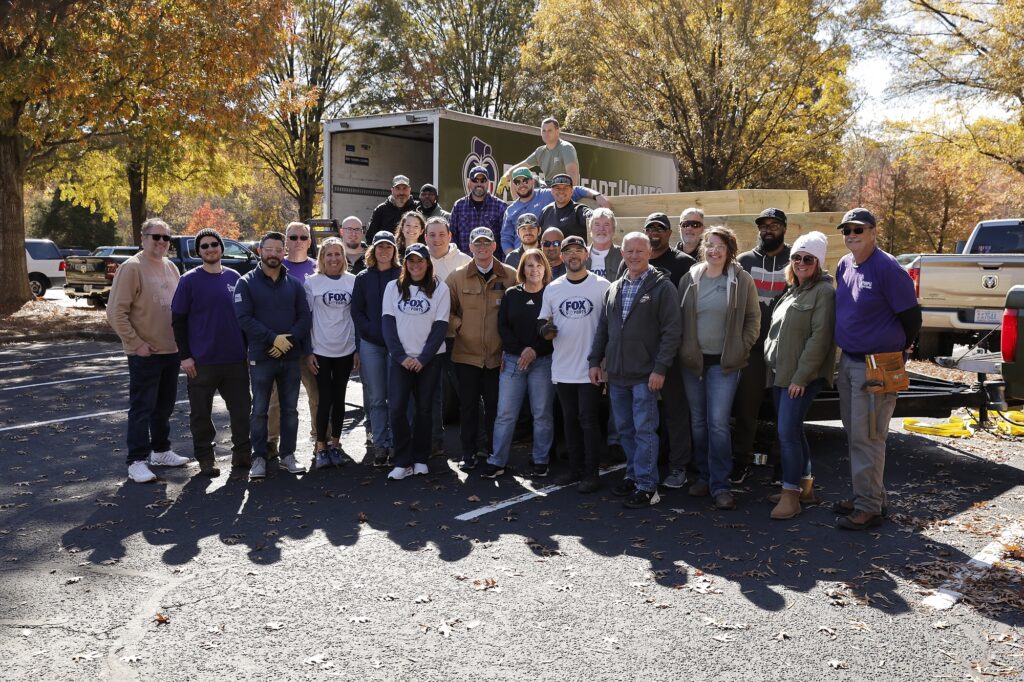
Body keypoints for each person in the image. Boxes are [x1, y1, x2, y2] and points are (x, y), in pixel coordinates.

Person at [833, 208, 921, 530]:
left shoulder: (888, 268)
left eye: (858, 230)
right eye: (847, 231)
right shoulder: (844, 265)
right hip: (849, 361)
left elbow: (912, 318)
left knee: (869, 436)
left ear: (873, 232)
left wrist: (900, 350)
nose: (852, 236)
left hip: (876, 366)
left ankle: (868, 507)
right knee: (855, 433)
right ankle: (868, 496)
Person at [589, 232, 681, 508]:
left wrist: (660, 368)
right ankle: (633, 473)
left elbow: (672, 332)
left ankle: (647, 486)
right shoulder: (615, 287)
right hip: (616, 374)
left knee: (644, 430)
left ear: (650, 253)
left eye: (640, 251)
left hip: (645, 374)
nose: (633, 256)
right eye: (629, 251)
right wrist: (595, 361)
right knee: (626, 430)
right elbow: (603, 329)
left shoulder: (663, 288)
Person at [677, 227, 760, 510]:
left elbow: (753, 320)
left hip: (724, 365)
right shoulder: (691, 278)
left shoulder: (741, 279)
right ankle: (703, 476)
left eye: (720, 246)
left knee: (718, 424)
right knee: (698, 424)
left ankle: (721, 485)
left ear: (729, 249)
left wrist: (741, 347)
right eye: (709, 245)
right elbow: (679, 318)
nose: (714, 250)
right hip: (693, 363)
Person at [107, 218, 188, 483]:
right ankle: (137, 461)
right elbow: (116, 312)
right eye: (157, 237)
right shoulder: (131, 268)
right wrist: (136, 344)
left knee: (163, 406)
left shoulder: (171, 267)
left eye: (167, 238)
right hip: (145, 353)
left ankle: (161, 451)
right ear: (143, 238)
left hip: (170, 350)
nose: (162, 242)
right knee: (142, 408)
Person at [763, 231, 836, 519]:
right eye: (796, 257)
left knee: (786, 434)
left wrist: (801, 378)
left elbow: (820, 339)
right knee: (792, 431)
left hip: (799, 378)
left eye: (808, 258)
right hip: (782, 375)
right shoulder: (794, 289)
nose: (801, 262)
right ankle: (805, 487)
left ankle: (790, 495)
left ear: (818, 262)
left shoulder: (824, 292)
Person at [171, 228, 251, 478]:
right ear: (198, 252)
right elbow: (178, 320)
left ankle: (242, 454)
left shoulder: (235, 277)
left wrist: (247, 350)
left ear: (221, 247)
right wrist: (185, 356)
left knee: (241, 410)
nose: (209, 249)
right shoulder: (189, 280)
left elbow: (244, 317)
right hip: (201, 362)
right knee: (201, 415)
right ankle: (206, 458)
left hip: (235, 359)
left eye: (213, 244)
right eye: (204, 246)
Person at [234, 231, 312, 480]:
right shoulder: (246, 283)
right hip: (261, 356)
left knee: (290, 410)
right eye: (269, 249)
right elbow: (244, 318)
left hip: (289, 357)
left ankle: (288, 455)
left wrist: (287, 341)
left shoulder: (294, 285)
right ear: (260, 251)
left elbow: (304, 318)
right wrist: (272, 338)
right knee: (259, 410)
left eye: (279, 250)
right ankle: (259, 457)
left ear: (283, 252)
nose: (274, 254)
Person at [627, 213, 696, 490]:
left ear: (670, 233)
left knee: (676, 411)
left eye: (660, 228)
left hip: (672, 351)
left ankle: (679, 466)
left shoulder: (685, 264)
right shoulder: (632, 263)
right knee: (643, 415)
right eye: (650, 228)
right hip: (639, 355)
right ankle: (651, 462)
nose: (655, 233)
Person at [539, 235, 610, 492]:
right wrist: (546, 330)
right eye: (568, 251)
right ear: (562, 257)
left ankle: (592, 473)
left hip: (592, 366)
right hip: (563, 366)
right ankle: (575, 468)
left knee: (588, 419)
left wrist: (603, 361)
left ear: (587, 255)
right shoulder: (553, 287)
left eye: (578, 250)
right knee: (569, 419)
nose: (573, 255)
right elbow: (543, 321)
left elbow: (611, 326)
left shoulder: (602, 286)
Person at [447, 227, 518, 471]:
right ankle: (468, 453)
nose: (482, 248)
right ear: (470, 247)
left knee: (496, 407)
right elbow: (445, 310)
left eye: (486, 243)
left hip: (499, 357)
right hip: (465, 355)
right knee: (467, 407)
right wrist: (460, 327)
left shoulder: (510, 275)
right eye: (477, 244)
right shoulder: (456, 277)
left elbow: (518, 311)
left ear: (495, 246)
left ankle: (492, 451)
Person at [731, 208, 791, 485]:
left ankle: (783, 467)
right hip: (752, 347)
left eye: (775, 225)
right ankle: (741, 461)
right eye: (764, 225)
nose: (768, 229)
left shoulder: (795, 258)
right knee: (746, 408)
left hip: (785, 347)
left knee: (785, 412)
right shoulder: (743, 261)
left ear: (784, 229)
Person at [484, 249, 556, 479]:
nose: (534, 270)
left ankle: (540, 460)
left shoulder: (552, 294)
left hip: (543, 361)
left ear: (545, 268)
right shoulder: (512, 294)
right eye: (529, 266)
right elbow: (503, 327)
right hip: (513, 360)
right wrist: (521, 350)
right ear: (522, 269)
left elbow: (554, 331)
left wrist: (534, 351)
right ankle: (497, 461)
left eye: (538, 265)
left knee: (542, 413)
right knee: (505, 414)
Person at [382, 243, 451, 480]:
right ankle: (403, 461)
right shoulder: (393, 287)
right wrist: (401, 357)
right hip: (400, 360)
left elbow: (441, 326)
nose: (415, 265)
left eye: (420, 261)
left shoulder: (440, 288)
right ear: (405, 263)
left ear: (427, 263)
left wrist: (422, 358)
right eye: (411, 261)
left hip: (429, 361)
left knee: (424, 410)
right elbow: (388, 325)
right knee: (397, 408)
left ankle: (421, 459)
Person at [304, 237, 359, 470]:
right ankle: (320, 446)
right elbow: (305, 320)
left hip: (345, 350)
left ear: (343, 257)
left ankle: (336, 443)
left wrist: (356, 349)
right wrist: (308, 352)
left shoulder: (353, 281)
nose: (334, 258)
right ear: (322, 258)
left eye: (338, 254)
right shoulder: (312, 283)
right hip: (321, 351)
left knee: (339, 399)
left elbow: (356, 316)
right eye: (329, 254)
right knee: (324, 399)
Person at [351, 232, 401, 467]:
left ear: (394, 251)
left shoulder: (402, 276)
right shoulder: (362, 278)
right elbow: (356, 312)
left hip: (397, 344)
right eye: (380, 247)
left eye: (388, 247)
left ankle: (396, 442)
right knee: (377, 398)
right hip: (371, 344)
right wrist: (369, 331)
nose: (384, 251)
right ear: (373, 250)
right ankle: (380, 444)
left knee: (396, 397)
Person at [426, 216, 471, 455]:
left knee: (466, 391)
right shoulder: (417, 261)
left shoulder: (464, 261)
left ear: (450, 236)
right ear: (425, 237)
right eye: (432, 235)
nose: (437, 239)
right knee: (432, 393)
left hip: (456, 336)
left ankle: (473, 445)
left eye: (441, 234)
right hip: (427, 337)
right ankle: (434, 443)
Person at [500, 168, 607, 253]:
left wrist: (597, 195)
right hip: (523, 256)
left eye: (525, 180)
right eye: (517, 182)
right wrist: (514, 257)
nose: (522, 184)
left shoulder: (546, 195)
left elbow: (576, 190)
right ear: (514, 184)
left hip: (548, 256)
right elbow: (506, 239)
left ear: (532, 181)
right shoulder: (510, 210)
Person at [501, 117, 580, 186]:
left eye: (549, 130)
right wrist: (505, 177)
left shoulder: (566, 147)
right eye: (544, 131)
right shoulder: (540, 151)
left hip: (562, 188)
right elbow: (521, 166)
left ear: (557, 131)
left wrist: (570, 196)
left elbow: (572, 173)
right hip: (547, 188)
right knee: (517, 176)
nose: (546, 134)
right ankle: (520, 203)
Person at [449, 166, 508, 254]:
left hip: (491, 264)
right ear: (469, 183)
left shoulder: (500, 206)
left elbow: (505, 239)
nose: (479, 184)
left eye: (483, 180)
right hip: (465, 263)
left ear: (488, 183)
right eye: (475, 180)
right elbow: (451, 236)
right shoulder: (459, 206)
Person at [539, 174, 592, 242]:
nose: (561, 191)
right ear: (552, 191)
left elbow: (594, 217)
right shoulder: (546, 211)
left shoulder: (579, 210)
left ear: (572, 191)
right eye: (558, 188)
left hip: (572, 252)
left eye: (565, 188)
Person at [584, 208, 622, 279]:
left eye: (606, 224)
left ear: (613, 230)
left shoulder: (623, 255)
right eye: (597, 224)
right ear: (591, 229)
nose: (601, 229)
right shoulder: (581, 255)